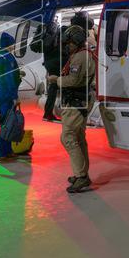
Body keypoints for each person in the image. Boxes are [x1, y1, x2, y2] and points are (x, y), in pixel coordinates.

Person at [47, 25, 95, 193]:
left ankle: (81, 176)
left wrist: (56, 80)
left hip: (77, 101)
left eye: (69, 42)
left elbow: (73, 80)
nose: (67, 45)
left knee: (68, 137)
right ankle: (82, 173)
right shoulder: (83, 54)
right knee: (79, 137)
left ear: (76, 41)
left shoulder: (80, 57)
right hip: (80, 100)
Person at [0, 32, 22, 163]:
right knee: (7, 124)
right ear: (9, 44)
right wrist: (14, 96)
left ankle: (8, 151)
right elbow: (9, 78)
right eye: (13, 44)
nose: (14, 47)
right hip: (6, 94)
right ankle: (2, 153)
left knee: (7, 121)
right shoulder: (7, 57)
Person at [32, 21, 64, 122]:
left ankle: (48, 113)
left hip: (49, 64)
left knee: (53, 89)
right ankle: (64, 113)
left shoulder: (47, 36)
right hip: (57, 64)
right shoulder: (60, 34)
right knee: (64, 85)